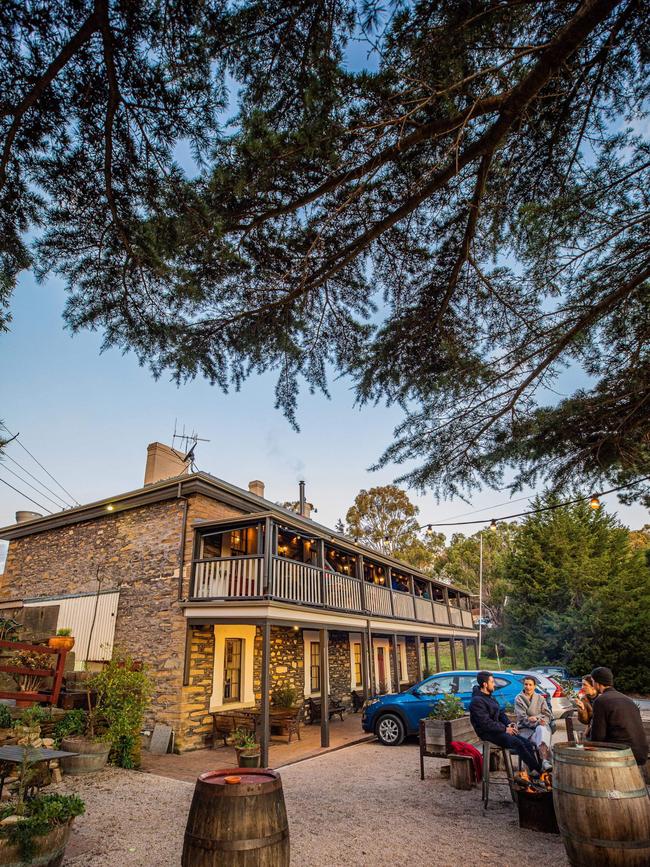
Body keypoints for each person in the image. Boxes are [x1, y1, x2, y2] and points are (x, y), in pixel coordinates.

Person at [469, 671, 542, 773]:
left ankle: (533, 772)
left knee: (527, 743)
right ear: (485, 684)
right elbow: (485, 724)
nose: (494, 684)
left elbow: (501, 713)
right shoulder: (477, 701)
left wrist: (509, 724)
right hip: (487, 734)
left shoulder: (490, 697)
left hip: (498, 730)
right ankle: (539, 771)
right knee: (518, 743)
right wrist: (505, 729)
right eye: (492, 682)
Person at [587, 667, 648, 774]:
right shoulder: (628, 700)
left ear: (597, 682)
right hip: (640, 753)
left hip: (621, 754)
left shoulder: (601, 701)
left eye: (592, 681)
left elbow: (598, 737)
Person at [515, 676, 553, 769]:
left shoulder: (540, 698)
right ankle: (545, 760)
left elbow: (548, 715)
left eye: (530, 685)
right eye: (526, 684)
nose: (528, 687)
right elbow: (522, 718)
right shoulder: (519, 698)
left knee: (541, 729)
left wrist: (536, 719)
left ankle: (544, 761)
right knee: (542, 734)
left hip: (539, 727)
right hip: (525, 730)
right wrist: (535, 720)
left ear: (535, 686)